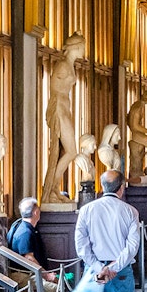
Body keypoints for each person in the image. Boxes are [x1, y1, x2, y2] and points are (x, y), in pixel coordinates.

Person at [6, 197, 66, 292]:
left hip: (28, 273)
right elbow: (28, 258)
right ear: (35, 212)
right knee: (57, 288)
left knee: (57, 283)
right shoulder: (25, 232)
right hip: (22, 275)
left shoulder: (24, 227)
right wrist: (46, 275)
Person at [42, 32, 85, 204]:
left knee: (66, 151)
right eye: (82, 46)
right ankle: (51, 189)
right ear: (75, 47)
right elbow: (55, 88)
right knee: (71, 151)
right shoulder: (62, 66)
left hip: (65, 108)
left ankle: (54, 190)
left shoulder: (69, 65)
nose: (83, 50)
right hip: (60, 108)